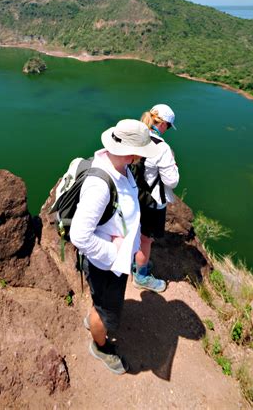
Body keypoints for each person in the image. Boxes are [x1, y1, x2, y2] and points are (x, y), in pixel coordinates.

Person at [70, 119, 158, 374]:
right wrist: (116, 253)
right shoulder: (100, 184)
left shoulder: (120, 167)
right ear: (131, 153)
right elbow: (79, 236)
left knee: (102, 303)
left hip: (111, 264)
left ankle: (94, 318)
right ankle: (100, 346)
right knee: (106, 312)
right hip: (105, 265)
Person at [131, 104, 179, 293]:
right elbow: (172, 181)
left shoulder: (136, 137)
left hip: (133, 196)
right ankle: (140, 277)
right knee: (146, 240)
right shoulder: (163, 148)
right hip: (151, 202)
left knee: (135, 233)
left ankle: (135, 264)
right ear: (164, 124)